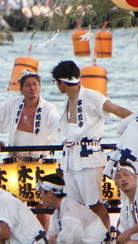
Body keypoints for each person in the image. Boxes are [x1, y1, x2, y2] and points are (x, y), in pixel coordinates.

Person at [51, 60, 132, 229]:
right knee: (74, 205)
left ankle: (104, 239)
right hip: (70, 158)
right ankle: (83, 237)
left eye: (56, 82)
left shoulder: (91, 95)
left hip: (88, 157)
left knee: (94, 203)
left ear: (60, 82)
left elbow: (116, 109)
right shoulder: (68, 101)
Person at [0, 70, 61, 161]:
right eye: (28, 85)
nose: (32, 87)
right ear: (21, 90)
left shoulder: (49, 108)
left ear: (40, 88)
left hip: (40, 159)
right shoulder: (13, 103)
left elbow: (58, 126)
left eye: (35, 84)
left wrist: (53, 144)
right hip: (15, 158)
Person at [37, 173, 112, 244]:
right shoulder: (58, 212)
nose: (40, 196)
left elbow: (73, 233)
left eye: (41, 192)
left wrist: (57, 240)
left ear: (49, 193)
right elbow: (58, 243)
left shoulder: (70, 207)